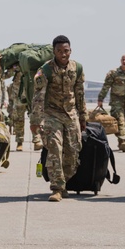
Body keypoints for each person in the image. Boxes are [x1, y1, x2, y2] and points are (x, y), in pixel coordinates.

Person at [30, 35, 87, 202]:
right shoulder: (45, 70)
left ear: (71, 51)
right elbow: (38, 97)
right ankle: (56, 188)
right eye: (59, 51)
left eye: (66, 51)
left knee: (73, 151)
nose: (63, 54)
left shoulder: (77, 68)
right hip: (51, 114)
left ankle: (64, 182)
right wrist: (35, 121)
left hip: (71, 114)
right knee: (55, 147)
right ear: (54, 51)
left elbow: (80, 94)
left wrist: (83, 117)